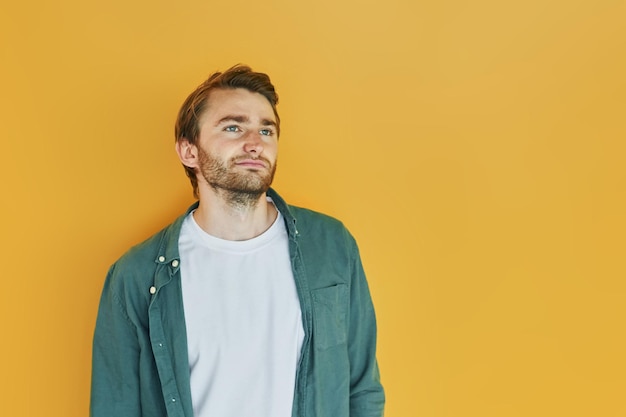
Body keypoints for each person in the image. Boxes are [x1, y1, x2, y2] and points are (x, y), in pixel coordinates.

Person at [90, 64, 385, 417]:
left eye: (266, 130)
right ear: (189, 152)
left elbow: (362, 388)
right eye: (233, 127)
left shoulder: (332, 246)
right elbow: (114, 406)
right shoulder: (136, 277)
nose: (255, 143)